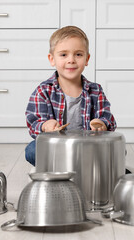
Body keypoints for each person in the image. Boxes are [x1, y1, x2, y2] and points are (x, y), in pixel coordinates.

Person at [25, 26, 116, 166]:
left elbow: (108, 119)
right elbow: (33, 122)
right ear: (52, 59)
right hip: (57, 147)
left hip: (87, 146)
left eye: (78, 54)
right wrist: (45, 126)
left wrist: (101, 124)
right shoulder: (43, 91)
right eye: (63, 55)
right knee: (31, 150)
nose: (71, 60)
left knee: (119, 150)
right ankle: (70, 167)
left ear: (87, 58)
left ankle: (76, 167)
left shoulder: (95, 90)